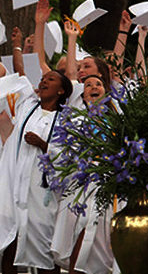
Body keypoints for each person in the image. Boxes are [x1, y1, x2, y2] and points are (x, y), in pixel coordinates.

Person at [0, 69, 73, 274]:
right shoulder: (27, 106)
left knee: (43, 247)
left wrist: (44, 145)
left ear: (61, 90)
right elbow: (11, 78)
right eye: (43, 78)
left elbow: (69, 157)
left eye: (51, 79)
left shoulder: (67, 120)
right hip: (15, 186)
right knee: (11, 241)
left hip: (42, 194)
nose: (44, 81)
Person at [51, 74, 114, 274]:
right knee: (80, 234)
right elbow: (60, 151)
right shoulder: (75, 119)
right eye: (88, 85)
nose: (94, 87)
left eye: (98, 84)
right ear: (83, 95)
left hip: (109, 187)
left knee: (101, 241)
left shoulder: (118, 121)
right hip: (81, 186)